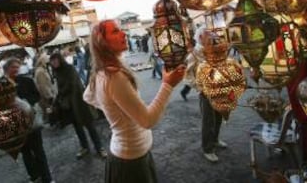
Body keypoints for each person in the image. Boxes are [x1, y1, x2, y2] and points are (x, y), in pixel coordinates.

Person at [83, 20, 185, 183]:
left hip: (129, 154)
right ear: (102, 42)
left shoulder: (101, 72)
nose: (124, 34)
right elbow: (147, 120)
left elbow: (87, 96)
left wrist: (114, 111)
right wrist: (167, 85)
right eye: (115, 32)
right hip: (131, 161)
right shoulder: (114, 76)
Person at [2, 58, 54, 183]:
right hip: (16, 125)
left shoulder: (26, 80)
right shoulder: (1, 85)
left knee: (39, 151)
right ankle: (34, 176)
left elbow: (36, 95)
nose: (15, 69)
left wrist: (26, 102)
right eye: (13, 67)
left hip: (31, 121)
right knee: (25, 152)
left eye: (17, 67)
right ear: (6, 69)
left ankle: (47, 178)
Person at [50, 52, 106, 159]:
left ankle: (99, 148)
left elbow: (72, 84)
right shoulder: (56, 72)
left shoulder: (69, 68)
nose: (54, 62)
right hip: (69, 105)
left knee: (89, 125)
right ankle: (85, 147)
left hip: (79, 102)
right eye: (52, 61)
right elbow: (60, 88)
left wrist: (61, 93)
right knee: (77, 127)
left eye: (55, 60)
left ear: (60, 59)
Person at [193, 28, 227, 163]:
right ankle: (208, 149)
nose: (211, 35)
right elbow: (188, 75)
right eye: (208, 34)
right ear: (201, 36)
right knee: (208, 120)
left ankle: (215, 140)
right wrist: (200, 86)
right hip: (205, 92)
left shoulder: (212, 48)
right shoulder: (194, 53)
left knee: (218, 116)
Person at [34, 54, 58, 125]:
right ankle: (52, 121)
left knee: (49, 109)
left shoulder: (42, 70)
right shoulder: (40, 71)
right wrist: (49, 95)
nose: (48, 62)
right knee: (49, 109)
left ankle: (52, 121)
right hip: (46, 95)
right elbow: (43, 85)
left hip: (47, 93)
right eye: (47, 61)